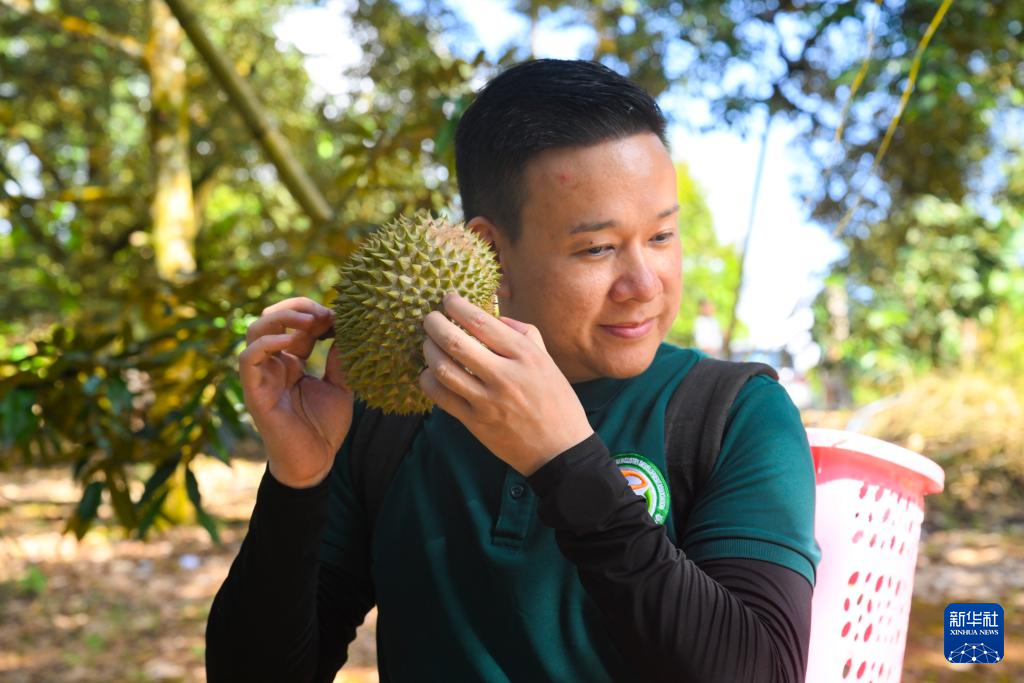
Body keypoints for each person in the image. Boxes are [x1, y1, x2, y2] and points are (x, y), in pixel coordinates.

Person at [206, 59, 820, 683]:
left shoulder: (735, 416)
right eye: (598, 248)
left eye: (661, 236)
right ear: (491, 253)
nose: (643, 284)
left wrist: (568, 462)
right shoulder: (394, 416)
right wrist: (297, 483)